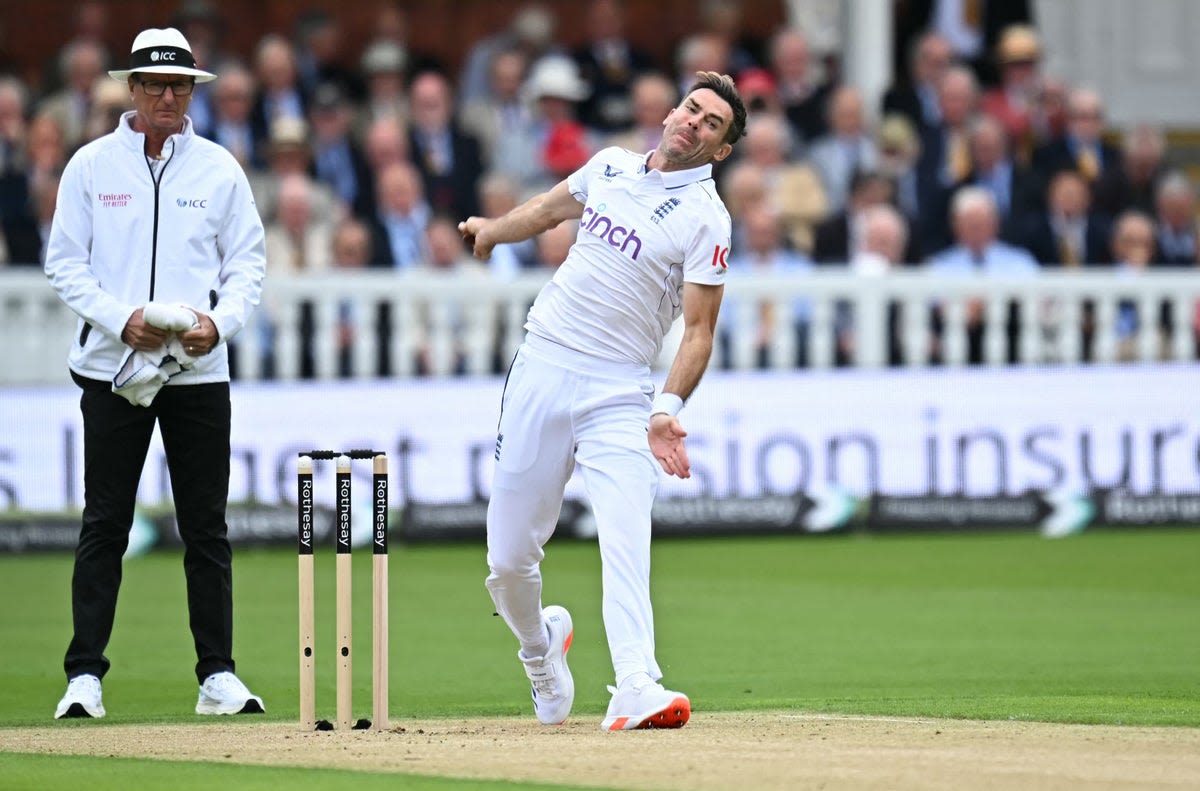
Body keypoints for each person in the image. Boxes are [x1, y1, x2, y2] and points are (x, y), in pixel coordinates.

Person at [458, 71, 746, 731]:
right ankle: (540, 649)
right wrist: (494, 231)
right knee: (507, 562)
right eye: (692, 109)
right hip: (543, 363)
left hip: (620, 387)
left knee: (624, 531)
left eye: (711, 126)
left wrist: (667, 404)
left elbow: (699, 330)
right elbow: (552, 209)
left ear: (720, 151)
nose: (694, 124)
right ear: (672, 109)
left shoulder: (707, 217)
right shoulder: (612, 164)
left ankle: (636, 683)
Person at [44, 27, 266, 720]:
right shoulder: (89, 166)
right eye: (155, 85)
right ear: (132, 89)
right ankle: (84, 675)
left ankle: (217, 675)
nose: (168, 96)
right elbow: (65, 263)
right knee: (105, 520)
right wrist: (121, 320)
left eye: (180, 86)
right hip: (113, 365)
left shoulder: (220, 169)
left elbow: (248, 263)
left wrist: (217, 324)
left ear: (191, 91)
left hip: (198, 369)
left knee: (206, 526)